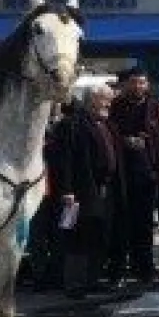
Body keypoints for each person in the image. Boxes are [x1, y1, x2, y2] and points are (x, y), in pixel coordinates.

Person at [53, 84, 125, 299]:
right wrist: (67, 190)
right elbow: (64, 161)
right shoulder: (71, 125)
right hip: (81, 191)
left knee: (99, 235)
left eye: (109, 99)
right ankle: (75, 284)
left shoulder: (108, 125)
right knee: (78, 238)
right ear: (91, 100)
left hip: (106, 190)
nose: (109, 103)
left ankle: (92, 280)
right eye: (104, 99)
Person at [109, 67, 159, 285]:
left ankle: (144, 270)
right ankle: (117, 270)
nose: (138, 86)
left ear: (147, 85)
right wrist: (125, 141)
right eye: (134, 82)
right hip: (120, 175)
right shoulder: (116, 107)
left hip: (147, 176)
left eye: (142, 82)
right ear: (126, 84)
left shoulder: (156, 108)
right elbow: (110, 133)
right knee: (120, 226)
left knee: (144, 226)